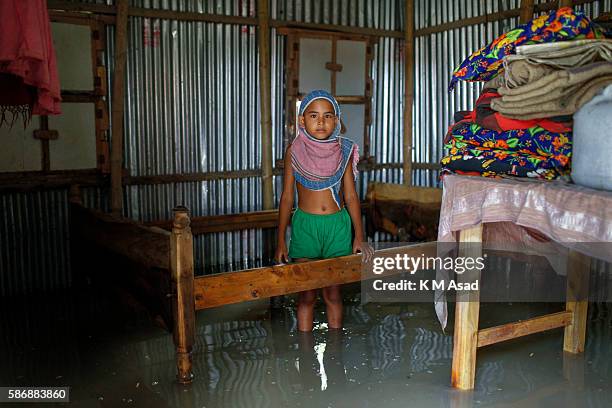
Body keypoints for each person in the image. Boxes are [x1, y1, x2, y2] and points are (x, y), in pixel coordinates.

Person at [274, 89, 374, 332]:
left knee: (332, 294)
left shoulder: (343, 151)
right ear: (301, 120)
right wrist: (280, 241)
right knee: (306, 296)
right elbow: (287, 197)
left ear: (337, 120)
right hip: (305, 226)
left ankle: (336, 351)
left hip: (337, 227)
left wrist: (359, 236)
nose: (321, 121)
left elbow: (350, 196)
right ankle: (306, 355)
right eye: (313, 116)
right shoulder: (294, 152)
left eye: (328, 116)